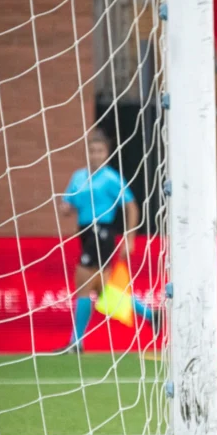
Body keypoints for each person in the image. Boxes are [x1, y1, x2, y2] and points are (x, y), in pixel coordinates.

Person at [58, 131, 157, 353]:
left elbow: (132, 206)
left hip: (102, 232)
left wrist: (129, 239)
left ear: (107, 154)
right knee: (103, 290)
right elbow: (69, 204)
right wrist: (66, 208)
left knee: (83, 281)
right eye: (92, 151)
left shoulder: (111, 178)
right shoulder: (78, 177)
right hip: (85, 233)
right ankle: (151, 314)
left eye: (100, 151)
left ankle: (76, 341)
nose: (96, 155)